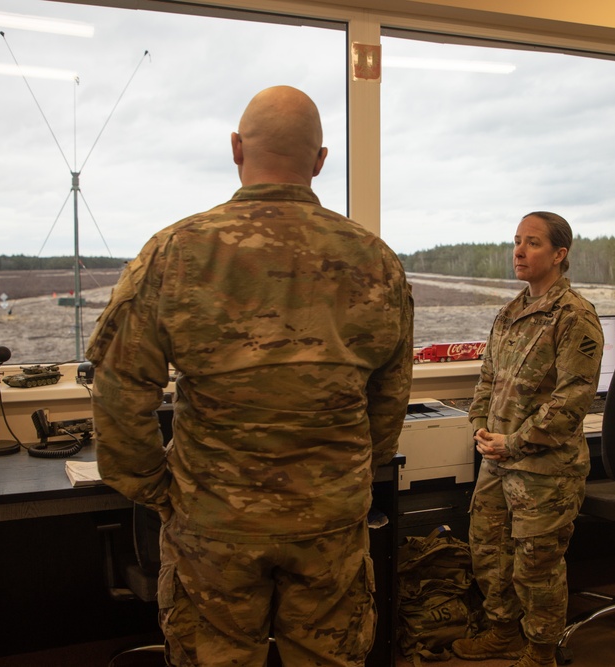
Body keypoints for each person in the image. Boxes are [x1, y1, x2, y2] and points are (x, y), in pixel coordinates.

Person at [86, 85, 414, 666]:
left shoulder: (176, 251)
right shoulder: (376, 260)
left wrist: (160, 491)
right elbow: (389, 396)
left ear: (236, 148)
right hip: (329, 520)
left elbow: (117, 390)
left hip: (215, 521)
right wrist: (350, 477)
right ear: (320, 160)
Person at [452, 212, 604, 667]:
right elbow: (487, 377)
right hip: (497, 461)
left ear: (559, 254)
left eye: (532, 242)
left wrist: (514, 443)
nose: (519, 251)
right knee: (490, 553)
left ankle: (540, 652)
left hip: (544, 469)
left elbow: (572, 400)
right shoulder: (510, 313)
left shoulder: (574, 315)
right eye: (517, 241)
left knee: (536, 567)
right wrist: (479, 423)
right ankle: (503, 633)